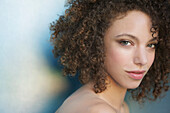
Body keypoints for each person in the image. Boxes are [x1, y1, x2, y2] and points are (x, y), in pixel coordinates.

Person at [50, 0, 170, 113]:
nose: (142, 60)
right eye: (126, 42)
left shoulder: (120, 106)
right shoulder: (99, 110)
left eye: (151, 45)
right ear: (96, 41)